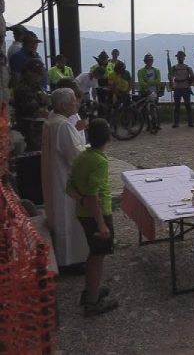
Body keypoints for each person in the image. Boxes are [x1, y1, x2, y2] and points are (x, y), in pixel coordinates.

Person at [65, 118, 119, 316]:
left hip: (83, 213)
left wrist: (82, 201)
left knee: (93, 254)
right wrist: (101, 224)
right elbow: (93, 194)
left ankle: (91, 290)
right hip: (98, 214)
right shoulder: (99, 161)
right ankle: (92, 302)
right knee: (98, 257)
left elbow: (69, 187)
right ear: (109, 138)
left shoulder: (82, 156)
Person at [40, 88, 88, 271]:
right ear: (62, 105)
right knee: (69, 219)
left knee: (60, 217)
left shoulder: (51, 121)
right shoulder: (63, 125)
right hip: (65, 179)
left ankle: (64, 258)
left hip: (54, 176)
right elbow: (76, 155)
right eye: (73, 100)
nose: (76, 102)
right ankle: (72, 261)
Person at [13, 60, 49, 151]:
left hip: (39, 128)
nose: (39, 77)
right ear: (29, 73)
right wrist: (42, 100)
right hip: (29, 129)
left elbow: (44, 103)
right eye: (37, 74)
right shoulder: (23, 88)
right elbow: (31, 109)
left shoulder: (36, 85)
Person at [168, 50, 194, 128]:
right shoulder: (174, 68)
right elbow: (170, 77)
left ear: (184, 58)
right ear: (177, 58)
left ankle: (189, 122)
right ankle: (177, 123)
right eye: (179, 57)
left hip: (185, 88)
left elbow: (193, 77)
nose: (180, 58)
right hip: (178, 88)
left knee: (187, 106)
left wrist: (189, 82)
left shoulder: (187, 68)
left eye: (181, 57)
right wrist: (170, 78)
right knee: (177, 106)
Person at [138, 54, 163, 132]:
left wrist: (148, 82)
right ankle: (149, 125)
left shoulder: (156, 70)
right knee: (145, 110)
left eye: (151, 60)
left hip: (154, 92)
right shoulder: (140, 71)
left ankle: (156, 124)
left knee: (154, 109)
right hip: (145, 92)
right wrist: (153, 82)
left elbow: (158, 81)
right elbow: (141, 82)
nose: (149, 62)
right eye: (148, 60)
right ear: (145, 61)